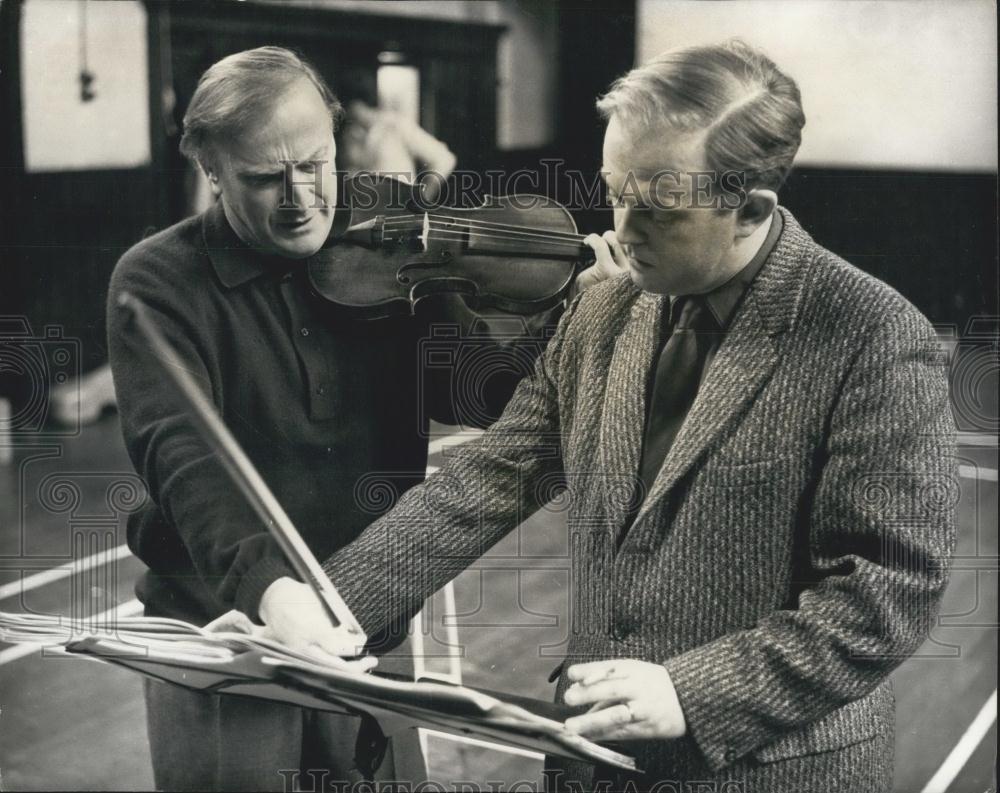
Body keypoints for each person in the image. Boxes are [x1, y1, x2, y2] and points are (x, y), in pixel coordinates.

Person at [264, 41, 957, 791]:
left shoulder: (872, 334)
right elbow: (485, 481)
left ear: (751, 208)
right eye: (614, 192)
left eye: (657, 211)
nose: (621, 232)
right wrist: (329, 603)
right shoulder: (602, 307)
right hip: (594, 762)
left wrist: (695, 691)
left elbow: (886, 590)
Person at [107, 46, 577, 791]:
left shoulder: (390, 226)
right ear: (213, 173)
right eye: (265, 178)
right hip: (225, 632)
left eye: (315, 164)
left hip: (370, 615)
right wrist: (269, 588)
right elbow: (184, 458)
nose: (300, 199)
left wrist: (568, 318)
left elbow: (476, 394)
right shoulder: (159, 280)